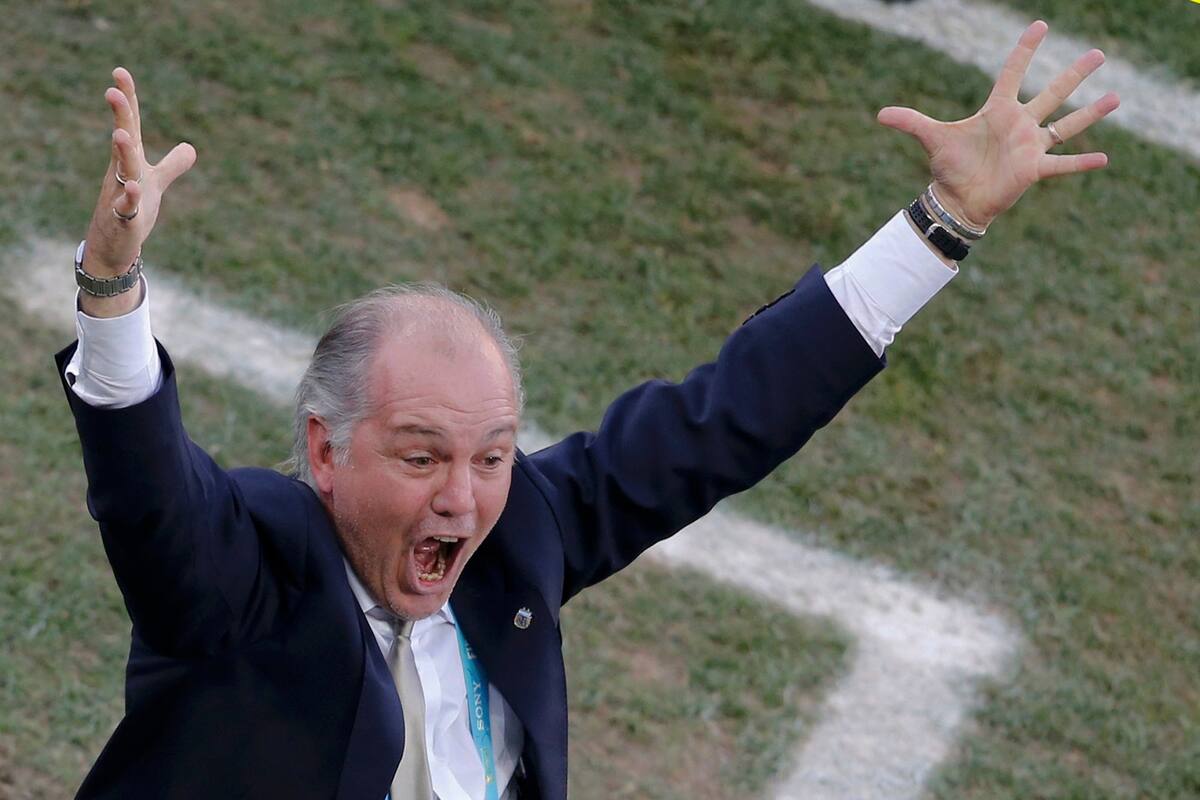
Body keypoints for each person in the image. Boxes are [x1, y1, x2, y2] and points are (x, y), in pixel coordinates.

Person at [58, 21, 1117, 800]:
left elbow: (722, 420)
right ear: (325, 450)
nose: (463, 496)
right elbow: (150, 493)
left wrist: (942, 224)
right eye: (423, 455)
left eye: (491, 454)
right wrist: (112, 288)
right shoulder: (245, 569)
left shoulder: (521, 528)